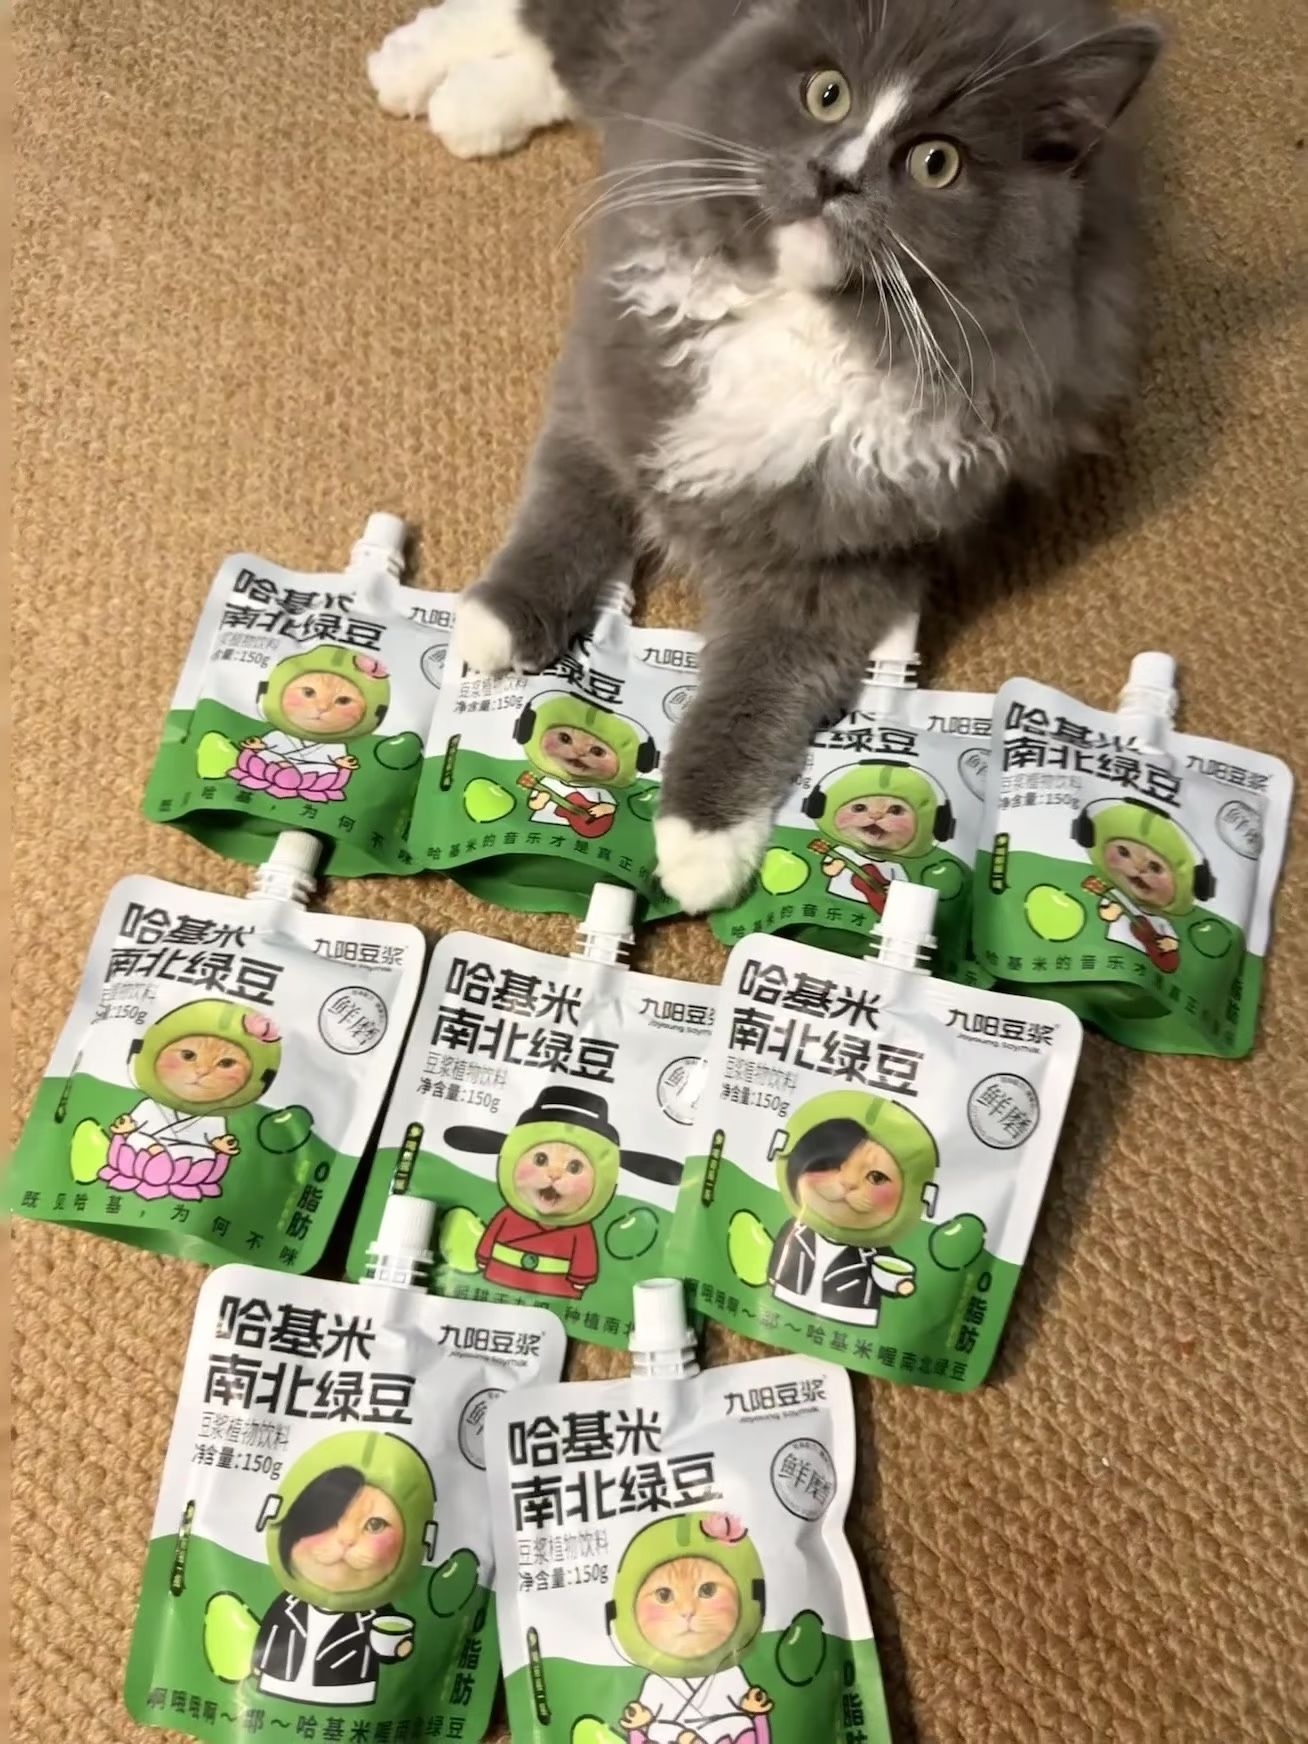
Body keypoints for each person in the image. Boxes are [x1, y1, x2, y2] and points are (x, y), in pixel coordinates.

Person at [768, 1091, 938, 1329]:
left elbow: (886, 1273)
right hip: (787, 1298)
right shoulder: (795, 1230)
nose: (848, 1183)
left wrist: (900, 1284)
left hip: (852, 1315)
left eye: (876, 1177)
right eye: (832, 1163)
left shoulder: (874, 1253)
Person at [610, 1513, 774, 1744]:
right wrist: (637, 1728)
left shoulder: (730, 1674)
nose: (687, 1610)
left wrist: (757, 1715)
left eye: (707, 1591)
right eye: (664, 1595)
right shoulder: (655, 1683)